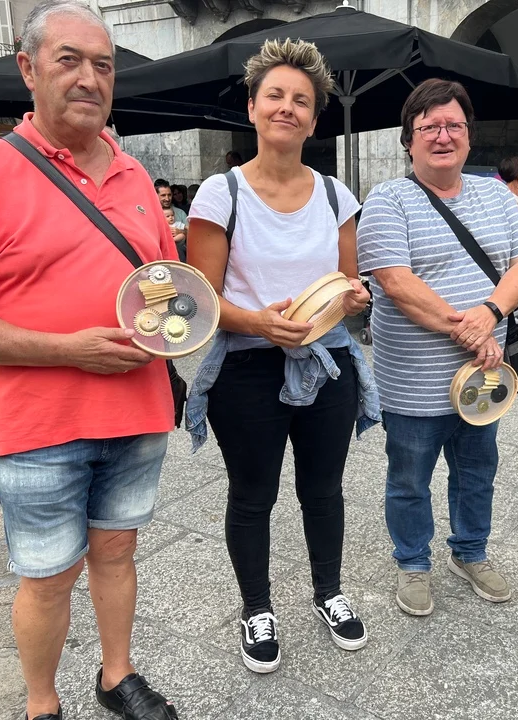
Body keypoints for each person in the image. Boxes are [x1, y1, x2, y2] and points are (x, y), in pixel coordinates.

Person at [0, 2, 181, 718]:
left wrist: (180, 322)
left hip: (137, 409)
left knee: (117, 553)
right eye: (70, 60)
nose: (90, 78)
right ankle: (42, 704)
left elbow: (163, 284)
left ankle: (116, 676)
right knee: (47, 578)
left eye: (104, 65)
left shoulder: (134, 176)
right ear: (28, 69)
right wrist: (67, 350)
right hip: (39, 423)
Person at [184, 38, 377, 675]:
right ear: (253, 107)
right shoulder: (221, 195)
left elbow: (349, 284)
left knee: (324, 489)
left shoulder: (335, 195)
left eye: (301, 100)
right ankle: (257, 608)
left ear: (314, 120)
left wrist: (354, 297)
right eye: (275, 96)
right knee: (252, 494)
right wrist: (259, 323)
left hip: (327, 364)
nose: (287, 108)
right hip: (247, 370)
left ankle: (329, 591)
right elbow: (201, 298)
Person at [357, 79, 518, 617]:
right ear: (408, 139)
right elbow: (396, 282)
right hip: (414, 380)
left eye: (453, 125)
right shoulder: (388, 199)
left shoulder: (496, 196)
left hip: (484, 375)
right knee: (409, 478)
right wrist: (472, 330)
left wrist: (491, 313)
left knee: (478, 469)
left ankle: (470, 551)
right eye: (429, 126)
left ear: (468, 135)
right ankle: (413, 562)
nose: (442, 136)